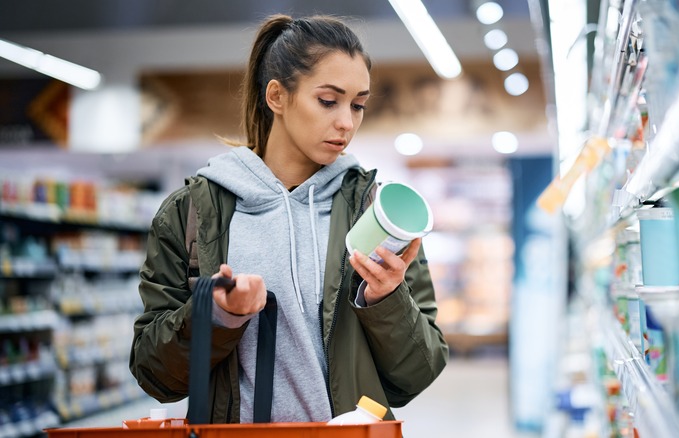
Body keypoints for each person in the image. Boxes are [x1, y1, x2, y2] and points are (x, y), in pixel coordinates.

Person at [129, 13, 449, 424]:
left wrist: (386, 300)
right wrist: (219, 315)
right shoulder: (192, 212)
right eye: (328, 101)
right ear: (277, 96)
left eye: (358, 105)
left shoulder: (376, 213)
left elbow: (417, 374)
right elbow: (155, 375)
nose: (346, 122)